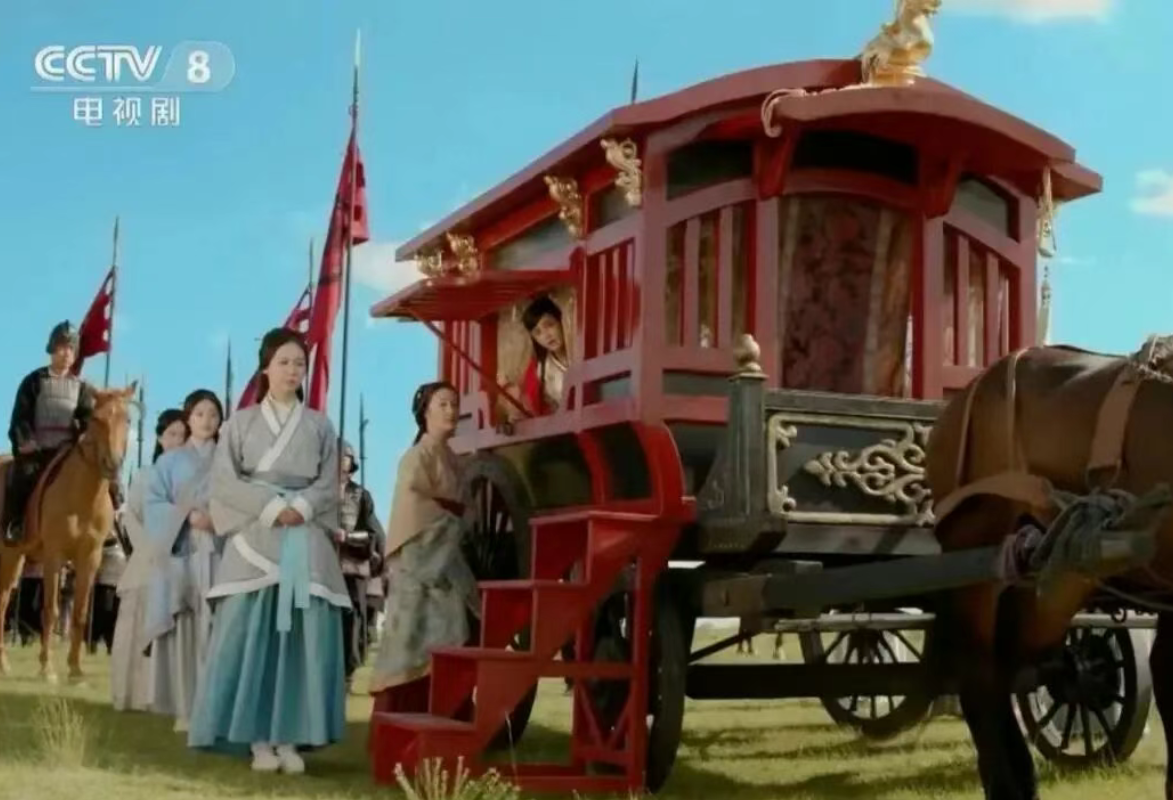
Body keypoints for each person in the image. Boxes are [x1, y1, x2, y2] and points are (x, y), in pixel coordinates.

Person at [188, 328, 349, 775]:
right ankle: (256, 737)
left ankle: (291, 737)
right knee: (247, 633)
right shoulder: (239, 424)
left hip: (305, 532)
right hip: (255, 535)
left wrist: (302, 506)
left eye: (300, 363)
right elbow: (224, 481)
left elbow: (328, 483)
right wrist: (271, 507)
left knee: (304, 638)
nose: (293, 371)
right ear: (265, 368)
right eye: (284, 362)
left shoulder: (320, 425)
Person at [368, 381, 479, 713]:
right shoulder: (415, 457)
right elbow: (412, 506)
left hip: (446, 561)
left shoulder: (454, 460)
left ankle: (450, 712)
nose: (451, 411)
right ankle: (403, 715)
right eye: (442, 404)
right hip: (419, 563)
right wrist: (451, 518)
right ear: (425, 413)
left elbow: (467, 508)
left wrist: (459, 518)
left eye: (454, 404)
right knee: (411, 641)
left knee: (455, 631)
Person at [142, 390, 224, 732]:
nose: (206, 420)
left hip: (220, 551)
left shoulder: (229, 461)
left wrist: (218, 520)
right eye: (200, 414)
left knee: (218, 628)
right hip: (181, 551)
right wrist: (187, 517)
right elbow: (153, 504)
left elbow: (242, 502)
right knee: (185, 629)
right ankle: (185, 707)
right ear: (188, 418)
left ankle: (216, 709)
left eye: (213, 414)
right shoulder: (170, 462)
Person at [111, 407, 187, 712]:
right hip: (146, 559)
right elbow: (132, 516)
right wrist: (150, 548)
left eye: (183, 435)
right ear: (160, 438)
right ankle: (131, 694)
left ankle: (168, 697)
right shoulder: (145, 476)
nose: (177, 440)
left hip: (180, 560)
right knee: (136, 625)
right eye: (171, 434)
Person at [2, 321, 95, 544]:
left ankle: (106, 531)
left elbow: (87, 419)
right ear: (52, 348)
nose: (66, 353)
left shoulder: (82, 387)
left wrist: (84, 435)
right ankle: (15, 524)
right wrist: (26, 441)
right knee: (23, 477)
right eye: (62, 347)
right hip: (38, 449)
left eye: (71, 348)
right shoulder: (33, 381)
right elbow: (20, 416)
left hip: (67, 452)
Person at [335, 440, 386, 694]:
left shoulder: (361, 495)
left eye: (344, 456)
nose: (339, 461)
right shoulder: (320, 494)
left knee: (352, 621)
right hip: (324, 567)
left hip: (352, 568)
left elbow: (372, 535)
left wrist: (347, 537)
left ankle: (347, 673)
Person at [516, 295, 570, 416]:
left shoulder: (581, 351)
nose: (546, 335)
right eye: (538, 332)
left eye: (549, 325)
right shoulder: (542, 369)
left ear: (561, 321)